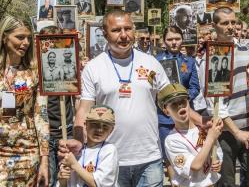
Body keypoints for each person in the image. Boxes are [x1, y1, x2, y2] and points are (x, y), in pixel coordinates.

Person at [59, 10, 172, 186]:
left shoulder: (151, 63)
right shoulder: (94, 67)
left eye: (128, 28)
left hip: (149, 158)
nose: (124, 35)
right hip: (110, 159)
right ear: (105, 33)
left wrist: (199, 123)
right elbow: (84, 109)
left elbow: (171, 100)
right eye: (116, 30)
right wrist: (79, 141)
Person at [198, 7, 249, 187]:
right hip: (226, 133)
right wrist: (236, 132)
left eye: (233, 22)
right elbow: (213, 105)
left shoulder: (246, 49)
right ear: (214, 26)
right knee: (226, 182)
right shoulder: (210, 57)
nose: (231, 26)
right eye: (225, 23)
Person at [0, 15, 49, 186]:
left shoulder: (34, 73)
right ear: (4, 37)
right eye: (20, 37)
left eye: (29, 37)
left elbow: (41, 116)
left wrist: (44, 160)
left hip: (27, 151)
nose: (26, 42)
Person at [155, 26, 200, 182]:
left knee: (189, 152)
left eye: (177, 39)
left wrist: (182, 98)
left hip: (186, 115)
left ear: (182, 40)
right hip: (165, 117)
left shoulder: (190, 61)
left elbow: (195, 87)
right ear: (164, 41)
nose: (173, 43)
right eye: (169, 39)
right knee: (170, 157)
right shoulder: (156, 61)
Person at [158, 83, 223, 186]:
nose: (180, 106)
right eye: (173, 104)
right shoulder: (171, 140)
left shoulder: (204, 130)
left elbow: (217, 153)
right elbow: (195, 167)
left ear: (188, 103)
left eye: (183, 101)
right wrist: (210, 138)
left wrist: (217, 163)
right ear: (166, 111)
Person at [39, 26, 75, 187]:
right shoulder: (35, 69)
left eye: (56, 42)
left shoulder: (69, 67)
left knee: (67, 179)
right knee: (49, 180)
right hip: (45, 136)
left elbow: (78, 99)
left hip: (66, 133)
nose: (51, 46)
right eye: (47, 42)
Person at [58, 105, 119, 187]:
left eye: (105, 126)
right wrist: (62, 179)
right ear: (85, 125)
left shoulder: (109, 150)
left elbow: (99, 184)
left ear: (111, 130)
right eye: (94, 124)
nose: (99, 129)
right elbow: (65, 184)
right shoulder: (76, 151)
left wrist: (74, 164)